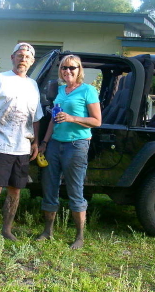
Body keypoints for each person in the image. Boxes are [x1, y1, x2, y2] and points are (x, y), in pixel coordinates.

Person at [0, 42, 43, 244]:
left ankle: (7, 229)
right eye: (20, 55)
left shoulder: (33, 85)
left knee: (16, 190)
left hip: (23, 146)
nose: (23, 58)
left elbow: (36, 117)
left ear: (32, 62)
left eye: (27, 56)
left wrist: (36, 143)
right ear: (12, 57)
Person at [37, 54, 102, 249]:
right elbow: (53, 120)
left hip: (76, 145)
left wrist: (72, 118)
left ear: (79, 70)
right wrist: (45, 142)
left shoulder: (88, 90)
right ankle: (47, 231)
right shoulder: (60, 91)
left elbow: (97, 121)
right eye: (64, 68)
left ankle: (79, 237)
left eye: (72, 68)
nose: (68, 71)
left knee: (75, 190)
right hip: (55, 144)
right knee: (49, 187)